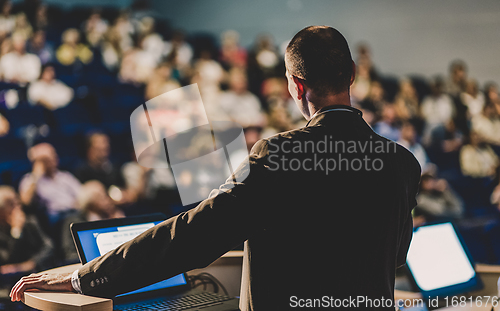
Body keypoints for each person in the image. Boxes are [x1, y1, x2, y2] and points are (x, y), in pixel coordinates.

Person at [10, 26, 421, 311]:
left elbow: (193, 233)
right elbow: (395, 254)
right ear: (351, 74)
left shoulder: (276, 155)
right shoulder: (403, 164)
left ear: (295, 85)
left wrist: (87, 277)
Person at [61, 181, 124, 264]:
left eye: (105, 195)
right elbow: (69, 254)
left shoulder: (109, 217)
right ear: (89, 201)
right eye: (100, 197)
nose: (107, 200)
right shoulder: (73, 221)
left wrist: (119, 223)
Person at [19, 143, 81, 227]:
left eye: (53, 155)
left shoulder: (65, 176)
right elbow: (26, 201)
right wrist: (37, 174)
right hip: (55, 219)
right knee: (73, 221)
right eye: (46, 159)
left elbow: (82, 195)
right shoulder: (30, 179)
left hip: (75, 212)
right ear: (37, 162)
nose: (52, 159)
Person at [0, 186, 53, 276]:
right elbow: (7, 261)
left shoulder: (30, 222)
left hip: (36, 272)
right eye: (11, 205)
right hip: (12, 281)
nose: (17, 208)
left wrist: (31, 263)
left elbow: (49, 247)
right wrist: (16, 231)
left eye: (17, 203)